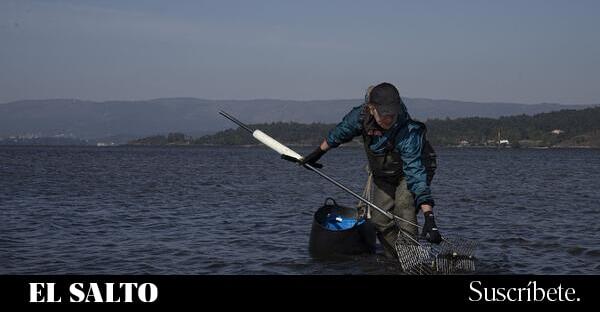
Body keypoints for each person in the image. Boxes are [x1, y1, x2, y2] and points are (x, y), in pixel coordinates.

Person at [300, 82, 442, 258]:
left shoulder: (408, 132)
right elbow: (339, 134)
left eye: (392, 114)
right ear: (371, 109)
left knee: (404, 208)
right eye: (384, 115)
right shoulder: (359, 117)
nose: (389, 119)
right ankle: (397, 259)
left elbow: (416, 175)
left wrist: (429, 218)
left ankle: (412, 260)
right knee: (379, 220)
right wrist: (316, 154)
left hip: (413, 170)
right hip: (384, 174)